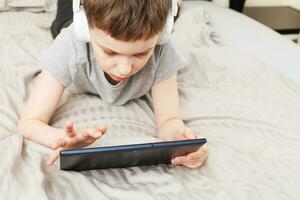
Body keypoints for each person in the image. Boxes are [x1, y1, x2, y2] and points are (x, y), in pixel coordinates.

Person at [16, 0, 208, 169]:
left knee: (170, 10)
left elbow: (169, 121)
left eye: (140, 53)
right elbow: (29, 123)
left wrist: (185, 141)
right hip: (70, 23)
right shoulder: (69, 43)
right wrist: (60, 140)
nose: (124, 69)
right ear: (85, 29)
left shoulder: (163, 48)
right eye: (110, 52)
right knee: (63, 19)